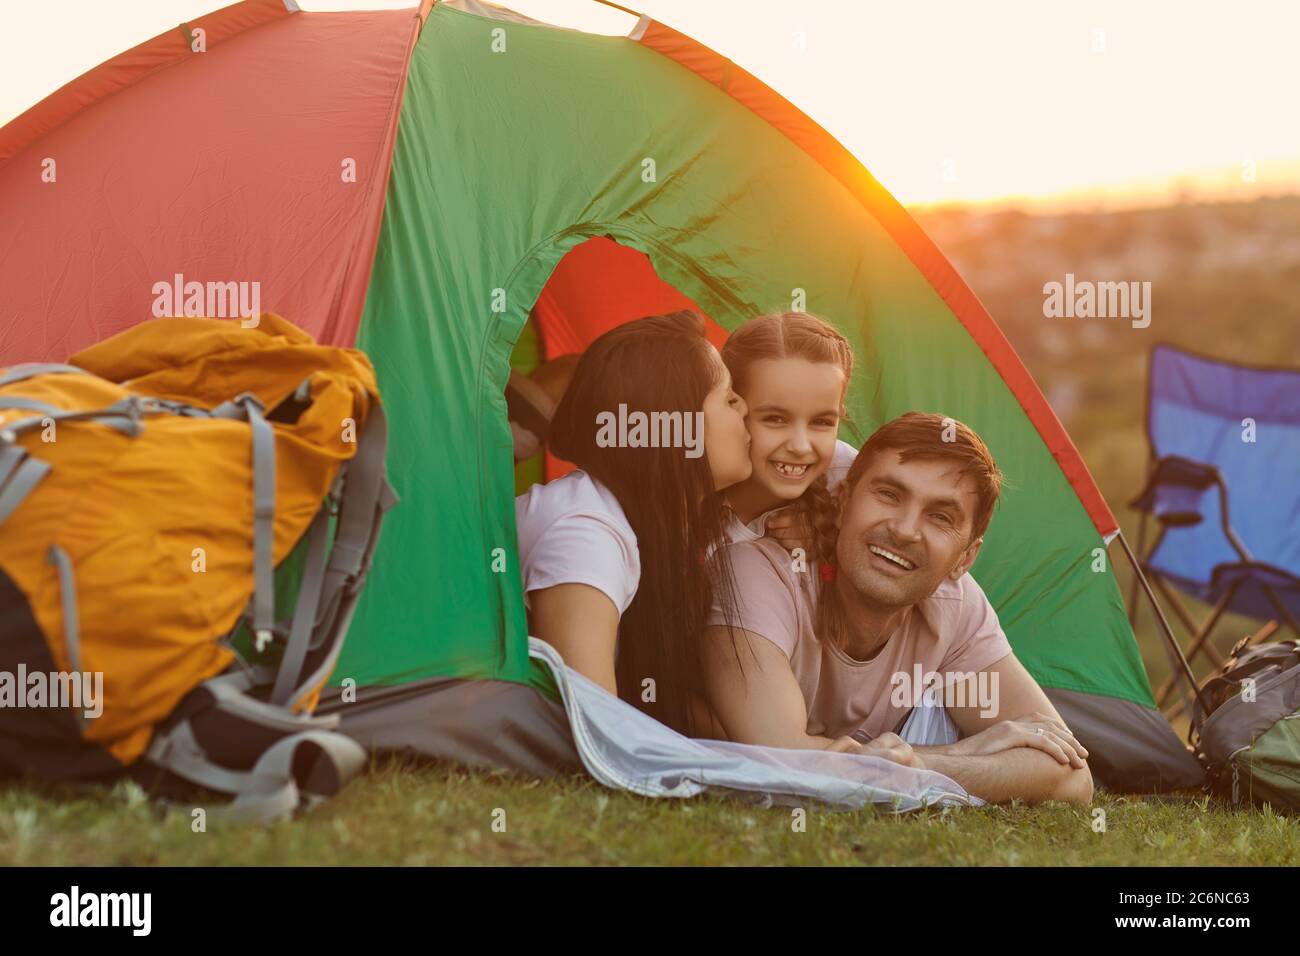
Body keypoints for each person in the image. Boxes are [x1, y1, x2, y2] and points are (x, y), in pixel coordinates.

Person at [703, 412, 1094, 804]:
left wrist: (919, 766)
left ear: (965, 559)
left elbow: (1071, 776)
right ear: (842, 503)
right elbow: (782, 757)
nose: (905, 530)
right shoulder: (758, 573)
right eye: (889, 495)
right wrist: (961, 752)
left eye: (940, 516)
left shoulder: (955, 601)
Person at [514, 311, 751, 734]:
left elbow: (660, 707)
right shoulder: (585, 531)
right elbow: (592, 723)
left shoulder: (651, 527)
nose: (745, 409)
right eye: (729, 398)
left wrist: (805, 753)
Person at [719, 312, 858, 548]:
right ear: (732, 408)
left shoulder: (851, 479)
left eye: (822, 422)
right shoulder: (683, 489)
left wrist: (831, 532)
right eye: (775, 419)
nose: (800, 446)